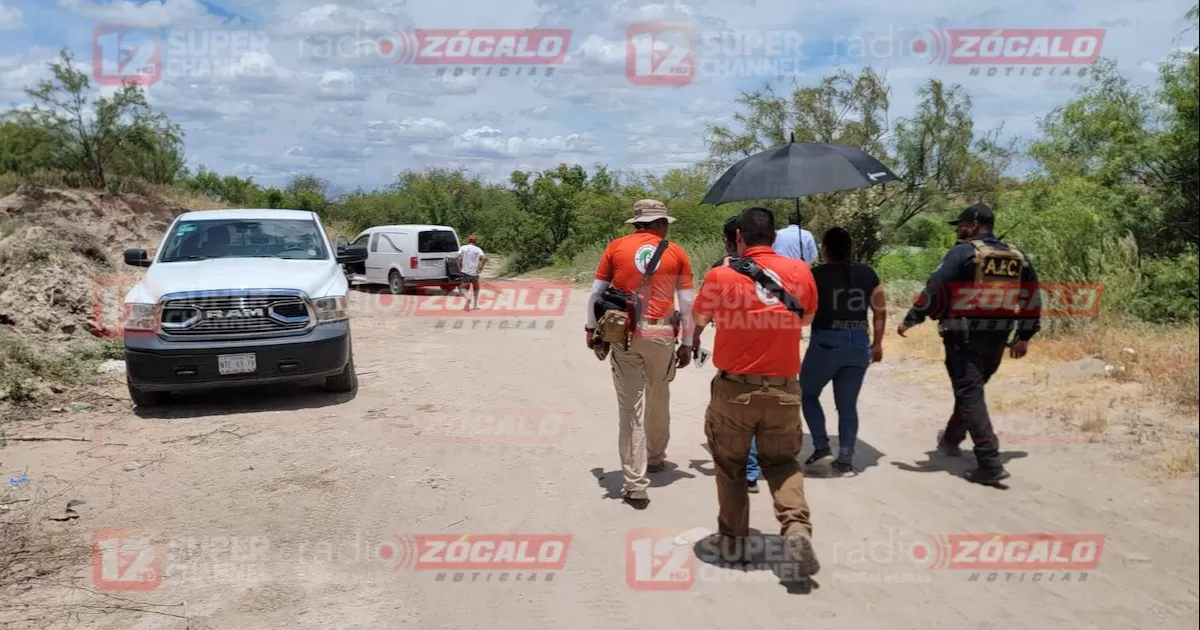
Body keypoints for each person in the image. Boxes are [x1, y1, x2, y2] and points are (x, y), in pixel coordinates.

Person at [690, 206, 820, 576]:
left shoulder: (720, 275)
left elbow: (698, 320)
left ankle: (732, 543)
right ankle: (795, 526)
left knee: (731, 465)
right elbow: (806, 317)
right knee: (781, 463)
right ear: (775, 237)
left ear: (739, 239)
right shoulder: (802, 272)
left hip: (735, 388)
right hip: (784, 388)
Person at [897, 203, 1041, 485]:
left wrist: (912, 318)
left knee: (969, 392)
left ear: (974, 225)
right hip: (998, 337)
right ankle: (951, 438)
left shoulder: (962, 252)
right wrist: (1024, 336)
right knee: (971, 390)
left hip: (964, 337)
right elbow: (1031, 296)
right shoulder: (1018, 256)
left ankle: (989, 461)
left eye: (961, 224)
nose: (958, 229)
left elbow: (935, 287)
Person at [586, 199, 694, 508]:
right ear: (660, 223)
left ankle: (635, 483)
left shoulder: (616, 248)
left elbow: (596, 293)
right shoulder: (676, 252)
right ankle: (657, 457)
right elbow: (686, 303)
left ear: (636, 224)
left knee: (629, 407)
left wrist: (590, 329)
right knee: (659, 394)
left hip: (626, 334)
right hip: (661, 333)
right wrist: (686, 343)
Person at [801, 227, 886, 475]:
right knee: (847, 405)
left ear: (825, 250)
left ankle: (821, 446)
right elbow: (880, 310)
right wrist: (878, 343)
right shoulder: (868, 273)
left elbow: (802, 309)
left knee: (807, 393)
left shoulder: (815, 275)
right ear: (850, 249)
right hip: (859, 341)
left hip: (826, 341)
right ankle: (846, 459)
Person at [708, 216, 761, 494]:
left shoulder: (719, 269)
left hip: (733, 350)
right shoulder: (771, 268)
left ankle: (744, 469)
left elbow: (707, 311)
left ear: (728, 240)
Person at [456, 234, 486, 310]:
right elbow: (484, 258)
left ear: (468, 240)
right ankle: (475, 305)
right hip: (475, 273)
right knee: (476, 288)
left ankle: (467, 298)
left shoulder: (463, 248)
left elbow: (457, 257)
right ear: (475, 241)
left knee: (462, 288)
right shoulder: (478, 249)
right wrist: (480, 268)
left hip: (465, 272)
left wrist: (459, 267)